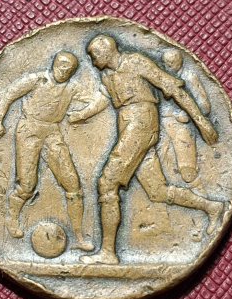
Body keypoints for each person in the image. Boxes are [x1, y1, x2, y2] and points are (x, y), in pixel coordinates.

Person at [69, 35, 224, 265]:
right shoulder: (107, 75)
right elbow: (104, 100)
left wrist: (201, 122)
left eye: (94, 55)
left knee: (108, 183)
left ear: (104, 52)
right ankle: (212, 207)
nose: (91, 60)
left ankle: (108, 252)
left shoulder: (136, 62)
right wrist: (81, 115)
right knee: (158, 191)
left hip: (141, 123)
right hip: (128, 126)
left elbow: (173, 88)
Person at [0, 51, 104, 251]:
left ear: (73, 71)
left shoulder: (72, 87)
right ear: (54, 64)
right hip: (29, 130)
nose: (64, 70)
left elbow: (96, 100)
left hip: (52, 132)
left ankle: (78, 238)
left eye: (69, 68)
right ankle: (12, 218)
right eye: (62, 65)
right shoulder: (36, 79)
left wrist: (85, 112)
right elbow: (7, 94)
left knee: (72, 184)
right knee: (27, 185)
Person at [161, 48, 211, 185]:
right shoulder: (162, 77)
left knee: (187, 169)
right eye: (165, 63)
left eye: (170, 64)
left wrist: (186, 114)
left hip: (182, 125)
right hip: (164, 124)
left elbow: (204, 106)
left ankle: (196, 189)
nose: (167, 67)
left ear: (179, 63)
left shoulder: (189, 77)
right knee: (164, 163)